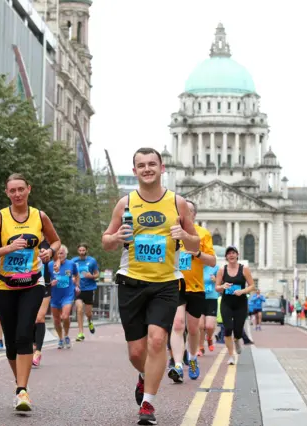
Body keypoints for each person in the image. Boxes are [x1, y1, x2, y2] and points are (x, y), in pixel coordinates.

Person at [102, 147, 200, 425]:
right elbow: (106, 241)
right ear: (135, 171)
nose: (147, 169)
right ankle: (144, 376)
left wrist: (184, 234)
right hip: (131, 280)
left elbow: (194, 244)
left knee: (158, 340)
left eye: (152, 164)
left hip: (166, 282)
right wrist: (116, 236)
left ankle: (148, 404)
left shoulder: (177, 203)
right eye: (141, 165)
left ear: (162, 167)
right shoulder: (125, 203)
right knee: (136, 352)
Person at [0, 173, 61, 412]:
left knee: (25, 333)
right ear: (7, 193)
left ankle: (21, 390)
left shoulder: (40, 216)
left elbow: (55, 242)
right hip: (4, 285)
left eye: (20, 189)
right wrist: (8, 248)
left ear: (29, 189)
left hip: (32, 284)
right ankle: (21, 385)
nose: (17, 194)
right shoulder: (0, 218)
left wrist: (49, 253)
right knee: (11, 342)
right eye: (12, 190)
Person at [168, 199, 216, 383]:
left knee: (194, 329)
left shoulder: (202, 234)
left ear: (194, 215)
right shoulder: (170, 232)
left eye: (189, 211)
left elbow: (212, 261)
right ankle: (178, 366)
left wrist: (197, 254)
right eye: (182, 210)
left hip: (196, 287)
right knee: (178, 324)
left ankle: (193, 358)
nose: (184, 213)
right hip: (175, 284)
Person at [215, 246, 255, 365]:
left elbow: (252, 285)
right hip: (226, 302)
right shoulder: (222, 270)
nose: (231, 255)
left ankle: (237, 339)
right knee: (227, 329)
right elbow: (217, 287)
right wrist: (222, 287)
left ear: (237, 255)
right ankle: (231, 355)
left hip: (240, 303)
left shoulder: (244, 269)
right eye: (229, 254)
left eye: (233, 253)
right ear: (226, 257)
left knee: (237, 330)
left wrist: (242, 291)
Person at [49, 245, 79, 349]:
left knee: (65, 316)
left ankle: (66, 335)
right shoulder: (50, 265)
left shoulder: (71, 264)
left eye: (61, 253)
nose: (59, 255)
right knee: (56, 320)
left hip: (67, 295)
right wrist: (50, 283)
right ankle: (60, 338)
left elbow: (77, 275)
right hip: (54, 296)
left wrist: (77, 285)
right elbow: (44, 279)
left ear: (66, 254)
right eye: (57, 253)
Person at [71, 243, 99, 341]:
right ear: (78, 251)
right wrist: (73, 279)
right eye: (80, 250)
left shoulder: (92, 261)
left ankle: (90, 321)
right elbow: (69, 273)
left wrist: (91, 276)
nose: (82, 252)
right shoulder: (73, 261)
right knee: (79, 309)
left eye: (83, 250)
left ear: (86, 250)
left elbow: (97, 274)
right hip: (78, 289)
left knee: (88, 313)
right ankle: (80, 333)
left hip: (89, 289)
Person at [33, 240, 55, 366]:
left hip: (45, 285)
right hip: (28, 284)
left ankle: (38, 352)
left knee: (39, 318)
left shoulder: (47, 244)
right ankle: (34, 343)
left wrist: (55, 262)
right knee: (30, 318)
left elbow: (57, 253)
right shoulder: (27, 240)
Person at [200, 262, 220, 354]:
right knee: (200, 326)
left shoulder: (215, 267)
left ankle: (209, 337)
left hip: (211, 298)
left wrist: (215, 280)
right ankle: (200, 347)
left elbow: (221, 284)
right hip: (199, 298)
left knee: (209, 326)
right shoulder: (195, 266)